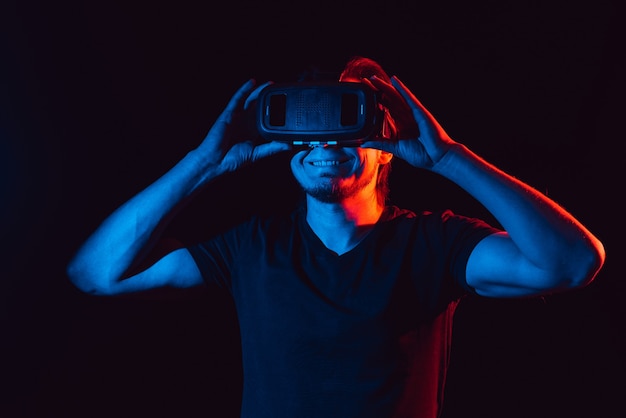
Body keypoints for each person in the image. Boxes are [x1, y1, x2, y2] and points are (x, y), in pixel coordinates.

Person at [66, 56, 605, 418]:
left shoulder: (435, 245)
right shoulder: (251, 247)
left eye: (348, 120)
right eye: (309, 119)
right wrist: (204, 164)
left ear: (383, 142)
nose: (325, 138)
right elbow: (96, 274)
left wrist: (447, 158)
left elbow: (572, 263)